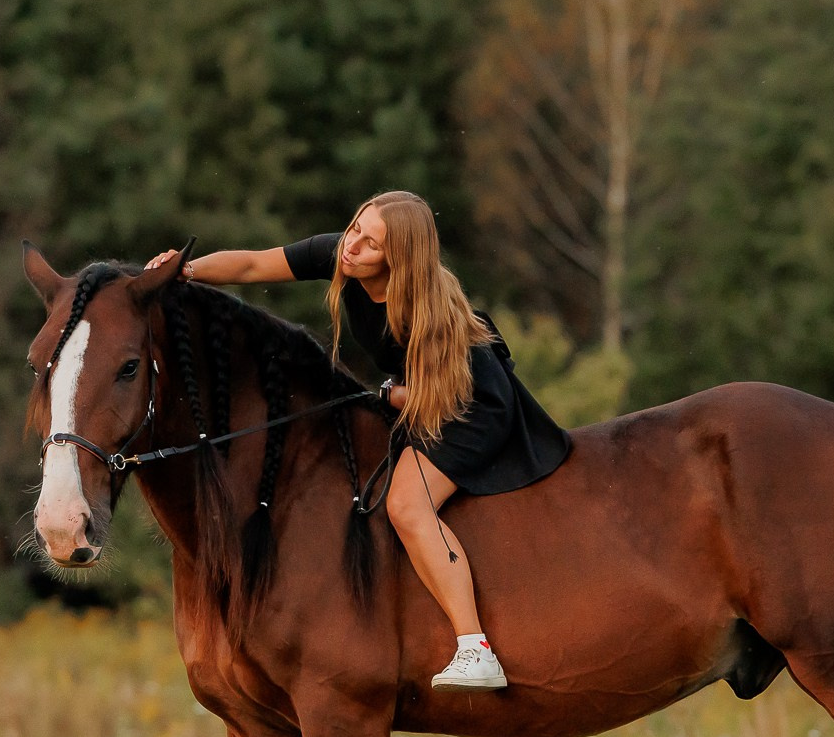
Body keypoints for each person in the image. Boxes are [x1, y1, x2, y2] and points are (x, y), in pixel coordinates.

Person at [145, 190, 571, 690]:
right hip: (420, 393)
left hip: (471, 406)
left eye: (372, 245)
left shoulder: (427, 310)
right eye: (356, 230)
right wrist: (186, 270)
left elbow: (441, 395)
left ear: (399, 260)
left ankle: (475, 648)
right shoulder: (339, 254)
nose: (353, 247)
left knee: (408, 505)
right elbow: (254, 266)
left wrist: (388, 393)